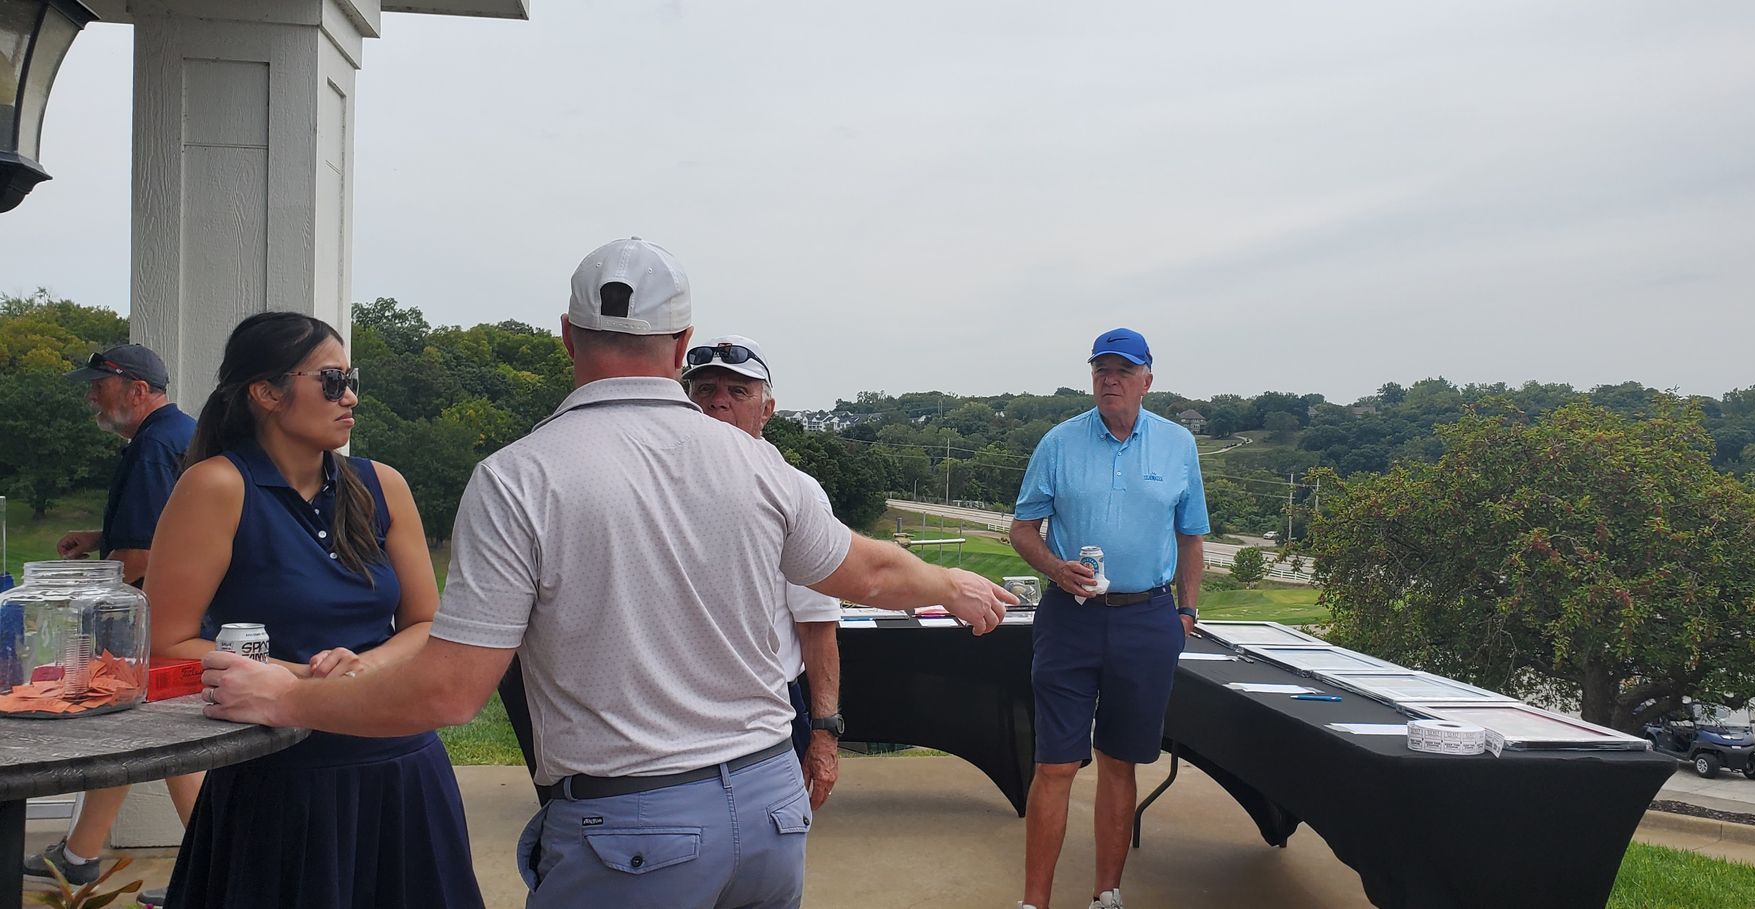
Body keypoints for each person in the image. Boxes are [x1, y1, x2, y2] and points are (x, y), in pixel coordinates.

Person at [196, 236, 1016, 909]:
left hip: (634, 835)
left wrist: (291, 696)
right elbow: (866, 570)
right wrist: (952, 584)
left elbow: (453, 691)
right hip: (770, 811)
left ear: (566, 335)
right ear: (683, 346)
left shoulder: (521, 477)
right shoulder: (762, 467)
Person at [143, 312, 482, 908]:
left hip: (401, 763)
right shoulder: (217, 486)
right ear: (267, 392)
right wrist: (303, 677)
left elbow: (427, 623)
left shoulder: (382, 484)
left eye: (350, 379)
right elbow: (167, 641)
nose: (349, 395)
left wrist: (361, 670)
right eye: (330, 381)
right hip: (280, 771)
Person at [1009, 328, 1209, 909]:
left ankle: (1106, 894)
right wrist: (1053, 566)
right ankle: (1034, 903)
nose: (1109, 380)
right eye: (1101, 370)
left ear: (1148, 379)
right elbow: (1023, 528)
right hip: (1069, 617)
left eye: (1122, 370)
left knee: (1119, 762)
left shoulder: (1178, 446)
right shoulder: (1059, 443)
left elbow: (1191, 537)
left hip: (1147, 618)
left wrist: (1186, 611)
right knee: (1055, 764)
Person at [22, 345, 201, 906]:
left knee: (170, 744)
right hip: (174, 612)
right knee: (121, 731)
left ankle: (214, 872)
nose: (90, 395)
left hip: (152, 617)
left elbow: (146, 554)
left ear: (137, 389)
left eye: (99, 384)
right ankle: (79, 856)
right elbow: (166, 526)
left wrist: (78, 590)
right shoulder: (178, 434)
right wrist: (100, 541)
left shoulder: (152, 447)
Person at [684, 334, 845, 809]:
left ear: (767, 409)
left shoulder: (797, 493)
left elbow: (817, 627)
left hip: (766, 713)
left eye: (738, 392)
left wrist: (824, 735)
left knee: (764, 868)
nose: (718, 403)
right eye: (705, 389)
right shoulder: (648, 486)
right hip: (673, 719)